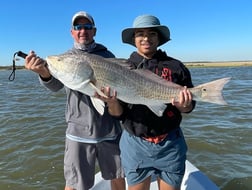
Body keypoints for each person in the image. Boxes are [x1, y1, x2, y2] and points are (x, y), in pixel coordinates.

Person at [25, 11, 125, 190]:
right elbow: (55, 86)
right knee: (74, 183)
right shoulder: (66, 58)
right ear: (72, 32)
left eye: (87, 27)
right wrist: (43, 73)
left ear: (94, 31)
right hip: (77, 132)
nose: (82, 31)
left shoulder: (107, 55)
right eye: (78, 27)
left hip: (110, 131)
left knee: (118, 176)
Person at [96, 15, 196, 190]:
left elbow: (189, 108)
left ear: (159, 38)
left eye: (152, 33)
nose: (146, 38)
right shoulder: (120, 68)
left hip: (170, 143)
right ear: (134, 39)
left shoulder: (176, 66)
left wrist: (185, 105)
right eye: (140, 34)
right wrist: (111, 102)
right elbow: (118, 114)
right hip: (135, 144)